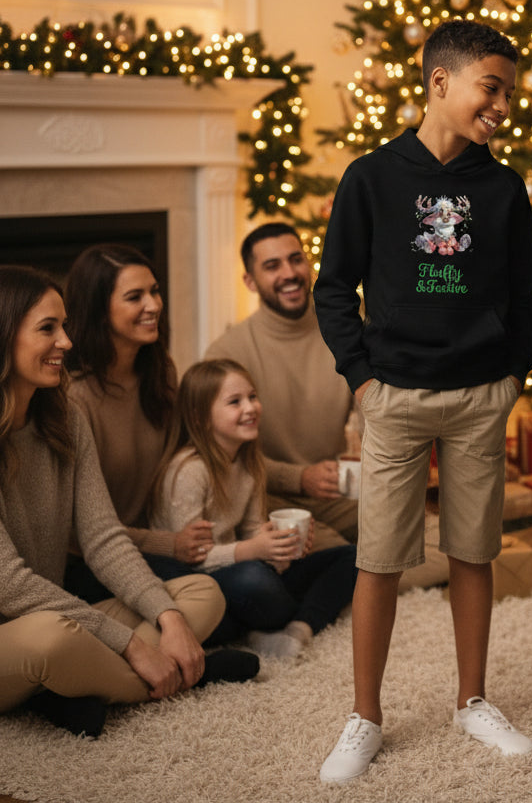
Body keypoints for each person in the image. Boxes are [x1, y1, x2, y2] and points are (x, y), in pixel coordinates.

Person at [313, 19, 532, 784]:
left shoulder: (503, 189)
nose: (503, 104)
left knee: (474, 552)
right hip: (395, 398)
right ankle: (364, 716)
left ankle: (473, 700)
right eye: (492, 87)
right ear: (440, 82)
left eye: (509, 91)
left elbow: (522, 294)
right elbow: (335, 287)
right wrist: (363, 380)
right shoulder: (371, 179)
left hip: (480, 397)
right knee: (378, 560)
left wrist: (512, 379)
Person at [0, 265, 249, 740]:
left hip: (60, 614)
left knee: (200, 594)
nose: (66, 343)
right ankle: (173, 677)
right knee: (51, 638)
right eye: (48, 329)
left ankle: (76, 691)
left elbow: (103, 537)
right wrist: (131, 645)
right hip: (22, 632)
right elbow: (9, 586)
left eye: (65, 326)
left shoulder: (66, 418)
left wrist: (167, 620)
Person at [150, 359, 358, 660]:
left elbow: (251, 532)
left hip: (241, 567)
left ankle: (299, 627)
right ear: (199, 418)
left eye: (252, 397)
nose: (250, 408)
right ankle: (278, 620)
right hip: (194, 578)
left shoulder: (248, 462)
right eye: (235, 402)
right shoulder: (189, 471)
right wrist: (255, 550)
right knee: (254, 581)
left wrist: (278, 549)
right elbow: (192, 558)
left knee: (351, 557)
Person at [62, 244, 212, 599]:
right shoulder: (73, 398)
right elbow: (75, 529)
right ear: (99, 312)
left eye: (154, 291)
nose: (153, 305)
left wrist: (301, 478)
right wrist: (167, 544)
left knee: (256, 583)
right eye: (135, 297)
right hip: (95, 560)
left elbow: (205, 446)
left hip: (164, 541)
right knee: (226, 592)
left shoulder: (161, 371)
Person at [205, 223, 360, 550]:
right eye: (272, 266)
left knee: (430, 540)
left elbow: (374, 410)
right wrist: (299, 478)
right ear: (250, 281)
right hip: (266, 498)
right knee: (342, 559)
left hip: (337, 491)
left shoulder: (346, 328)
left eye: (295, 259)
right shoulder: (227, 353)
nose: (289, 273)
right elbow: (221, 455)